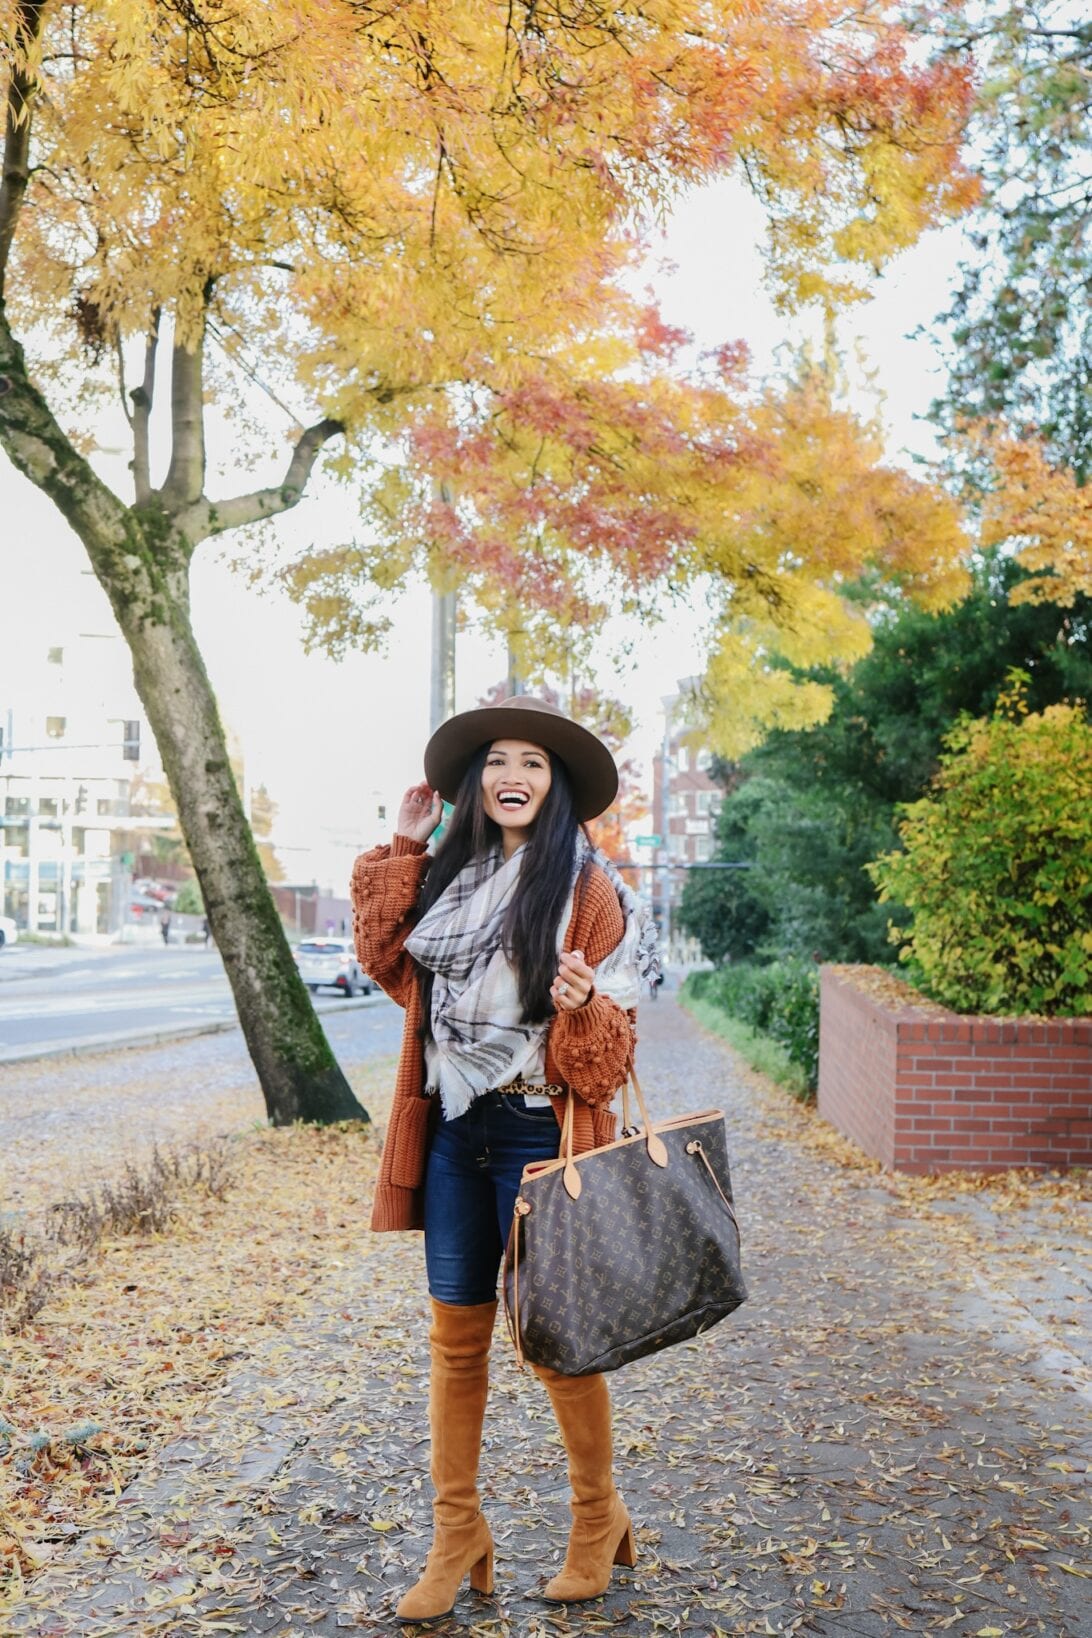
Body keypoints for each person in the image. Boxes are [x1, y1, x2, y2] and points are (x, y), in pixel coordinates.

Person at [351, 695, 658, 1622]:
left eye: (530, 761)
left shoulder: (589, 891)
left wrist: (581, 1004)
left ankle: (595, 1521)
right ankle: (457, 1538)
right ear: (475, 784)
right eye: (495, 761)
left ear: (554, 783)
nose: (511, 775)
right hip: (452, 1131)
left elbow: (608, 1062)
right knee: (456, 1343)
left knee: (560, 1346)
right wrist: (407, 846)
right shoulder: (450, 877)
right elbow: (386, 962)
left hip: (538, 1135)